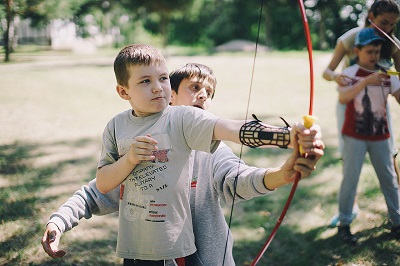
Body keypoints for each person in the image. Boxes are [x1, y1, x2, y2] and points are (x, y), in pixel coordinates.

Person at [42, 61, 324, 265]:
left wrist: (284, 166)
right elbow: (98, 191)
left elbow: (239, 180)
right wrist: (59, 221)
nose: (204, 95)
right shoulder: (142, 146)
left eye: (209, 92)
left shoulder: (213, 149)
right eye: (195, 87)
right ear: (170, 97)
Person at [322, 0, 400, 227]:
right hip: (349, 103)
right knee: (351, 161)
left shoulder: (392, 44)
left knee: (389, 157)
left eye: (392, 24)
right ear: (371, 16)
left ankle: (396, 214)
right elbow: (327, 72)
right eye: (383, 22)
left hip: (379, 107)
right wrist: (337, 77)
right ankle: (349, 210)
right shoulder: (350, 38)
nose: (386, 28)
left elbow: (397, 77)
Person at [336, 27, 400, 245]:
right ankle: (344, 224)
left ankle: (397, 222)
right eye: (369, 51)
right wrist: (365, 81)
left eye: (377, 51)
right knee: (350, 180)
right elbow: (343, 98)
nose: (374, 56)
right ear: (357, 51)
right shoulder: (350, 73)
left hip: (381, 136)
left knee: (389, 180)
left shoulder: (386, 72)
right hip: (355, 135)